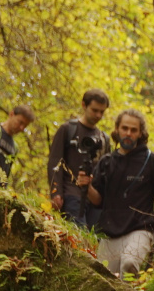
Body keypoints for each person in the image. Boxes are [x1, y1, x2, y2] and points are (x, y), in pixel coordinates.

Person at [85, 110, 154, 279]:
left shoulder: (152, 161)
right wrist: (87, 186)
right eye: (124, 128)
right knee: (104, 281)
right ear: (117, 130)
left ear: (140, 133)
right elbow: (97, 201)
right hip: (109, 233)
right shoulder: (106, 162)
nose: (128, 133)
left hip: (140, 229)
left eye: (133, 130)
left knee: (128, 264)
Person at [47, 89, 111, 228]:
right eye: (94, 110)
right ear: (84, 105)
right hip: (71, 195)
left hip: (95, 201)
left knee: (95, 242)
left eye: (102, 112)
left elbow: (107, 172)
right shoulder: (68, 129)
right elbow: (55, 161)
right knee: (79, 237)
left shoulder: (104, 139)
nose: (98, 115)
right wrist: (56, 193)